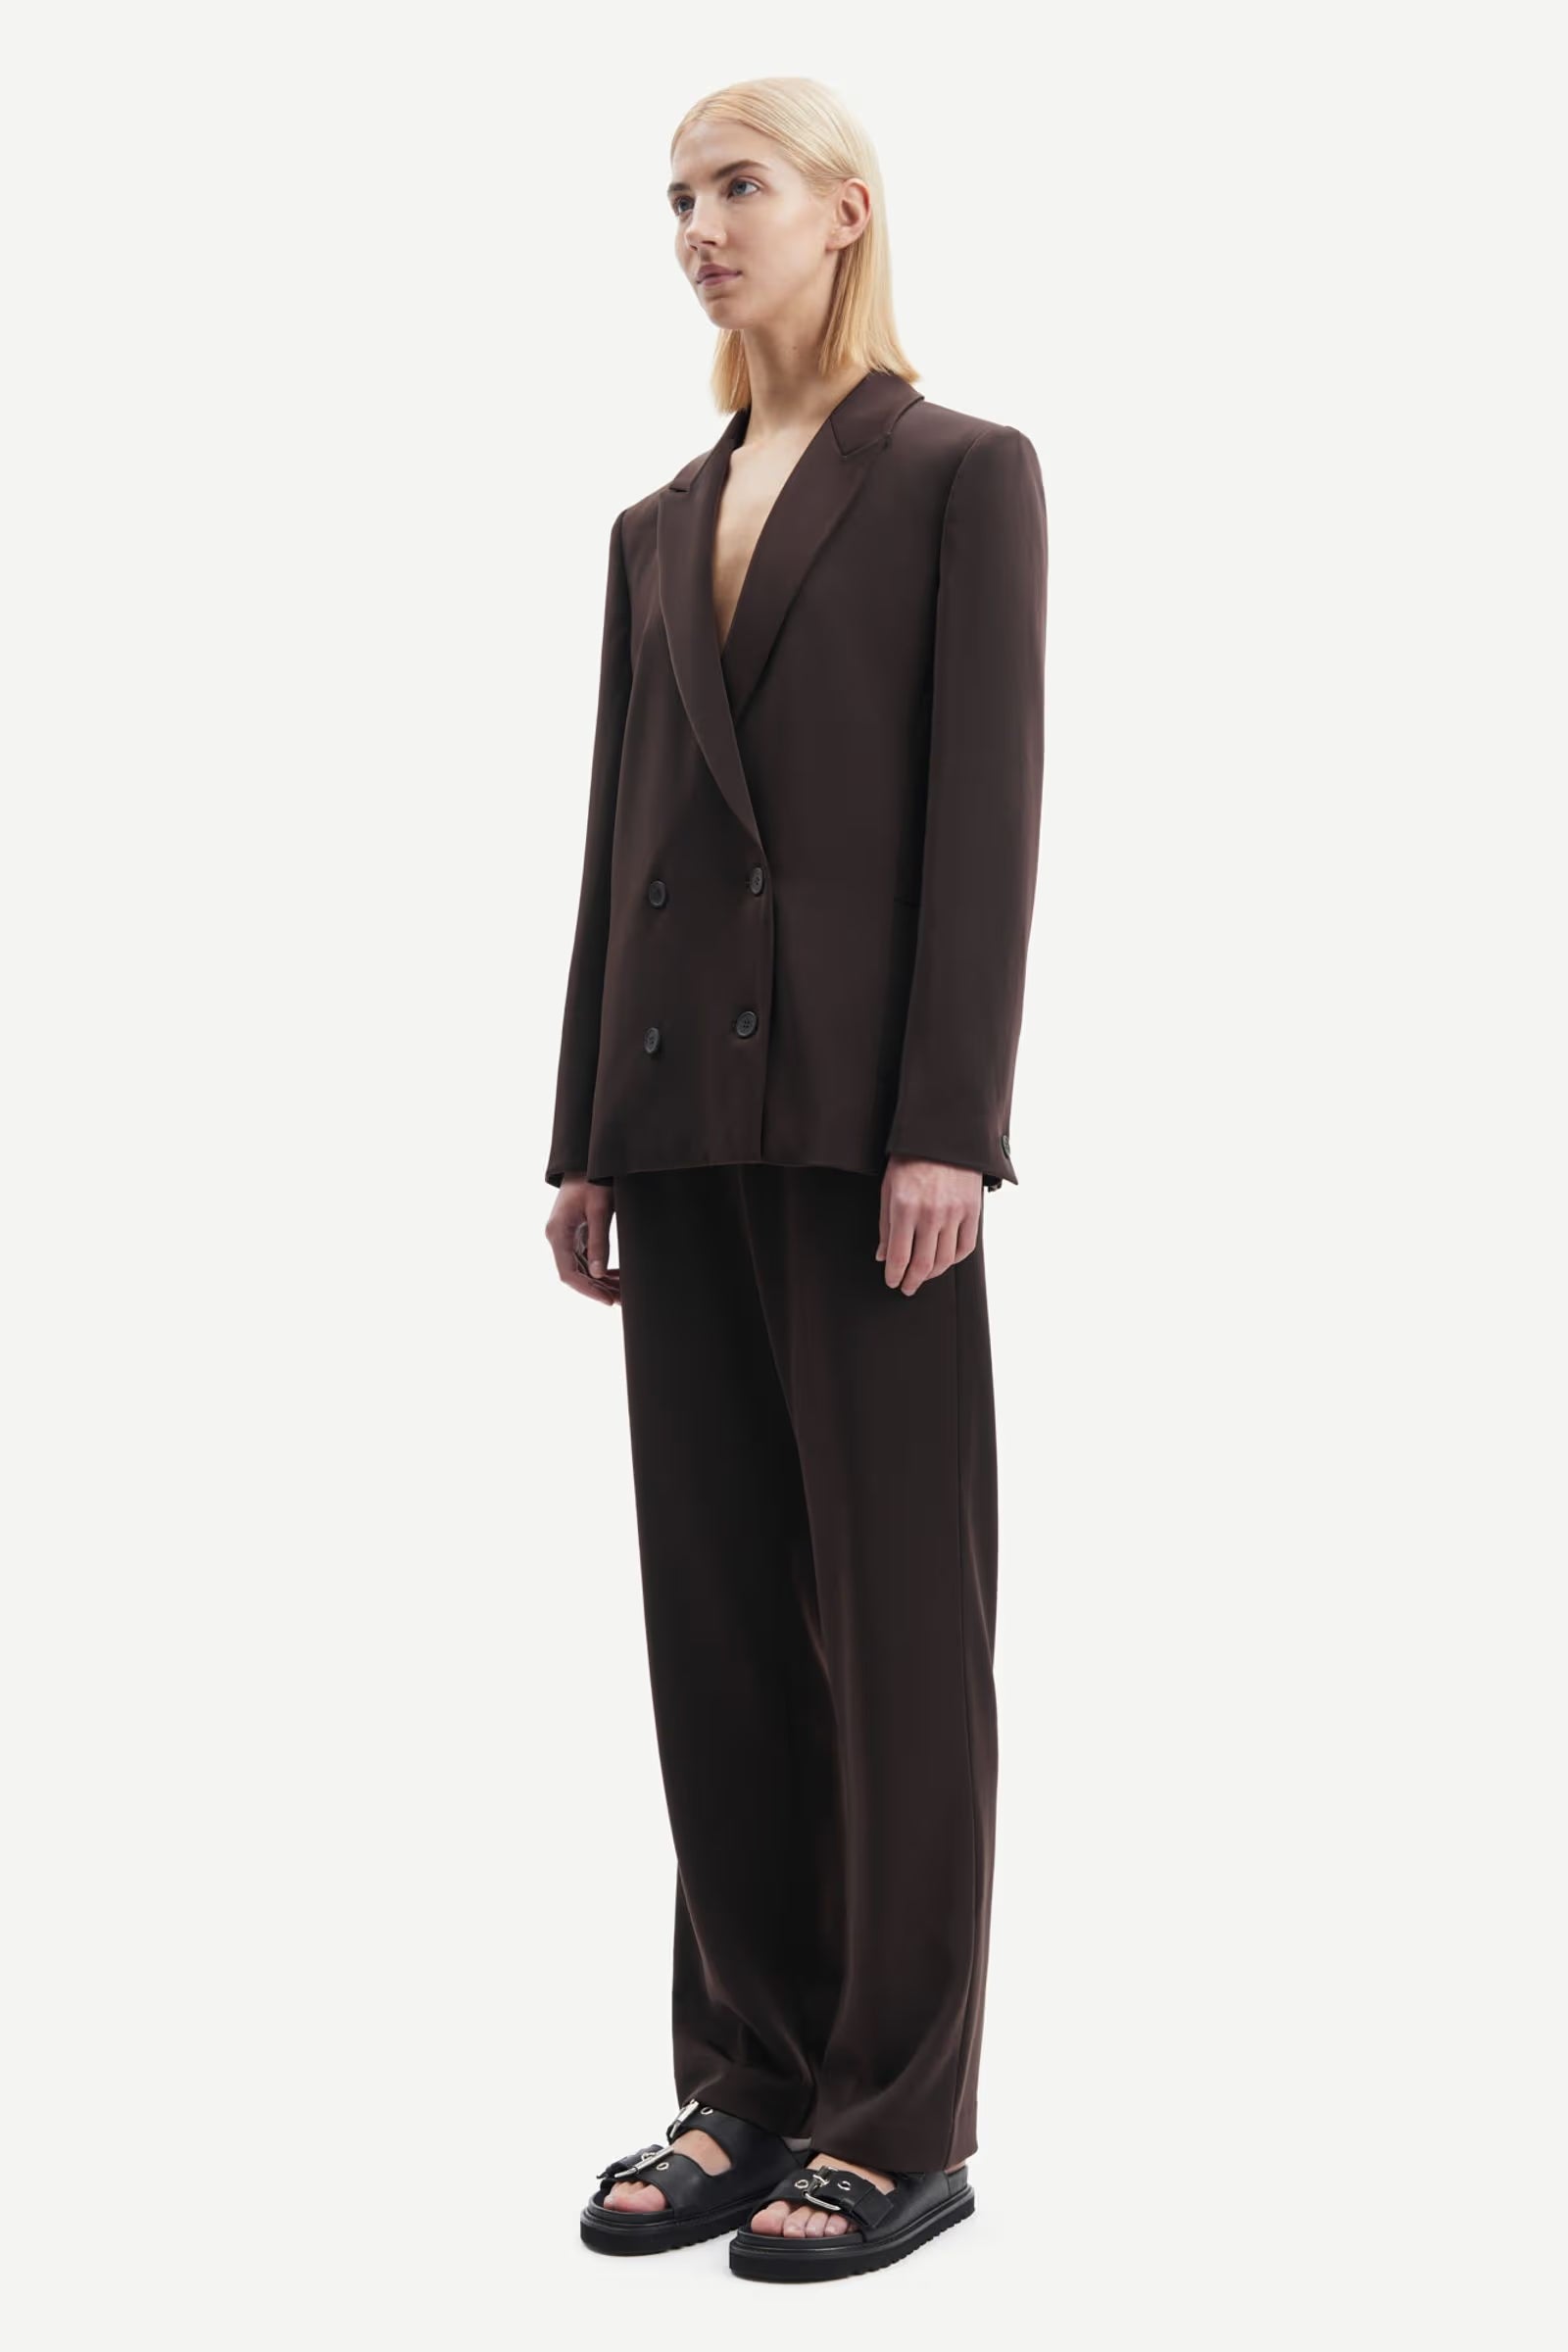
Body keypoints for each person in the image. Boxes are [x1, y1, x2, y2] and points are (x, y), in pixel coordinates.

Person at [545, 74, 1048, 2284]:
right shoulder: (654, 522)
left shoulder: (957, 474)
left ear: (843, 211)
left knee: (901, 1633)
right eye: (676, 195)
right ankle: (748, 2077)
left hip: (865, 1134)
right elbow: (620, 840)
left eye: (737, 185)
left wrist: (948, 1121)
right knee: (722, 1629)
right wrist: (583, 1132)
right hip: (675, 1127)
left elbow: (984, 815)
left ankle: (896, 2118)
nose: (699, 225)